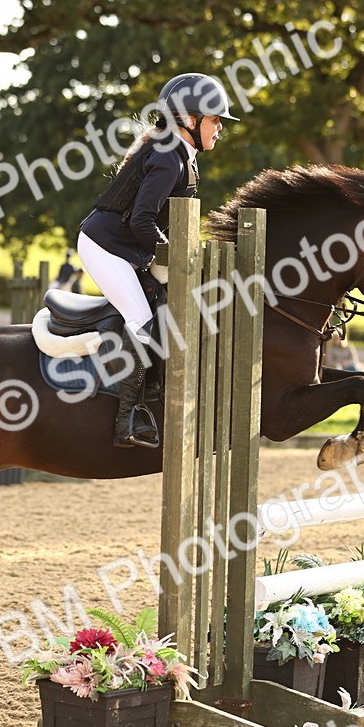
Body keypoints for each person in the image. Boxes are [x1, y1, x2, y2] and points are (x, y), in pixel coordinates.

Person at [79, 72, 239, 448]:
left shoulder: (184, 157)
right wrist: (180, 255)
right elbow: (141, 220)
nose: (220, 129)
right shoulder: (169, 158)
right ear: (190, 119)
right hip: (106, 247)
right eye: (216, 121)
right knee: (142, 319)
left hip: (132, 247)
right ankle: (127, 421)